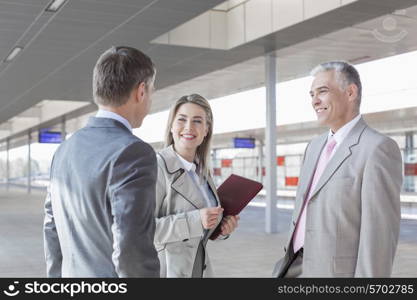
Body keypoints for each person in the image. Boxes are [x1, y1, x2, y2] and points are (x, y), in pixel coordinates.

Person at [273, 61, 403, 277]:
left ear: (350, 92)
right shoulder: (313, 147)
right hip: (292, 268)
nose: (315, 101)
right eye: (311, 94)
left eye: (322, 91)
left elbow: (378, 239)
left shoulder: (377, 149)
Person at [43, 46, 160, 277]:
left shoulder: (64, 150)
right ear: (141, 91)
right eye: (152, 91)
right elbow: (132, 249)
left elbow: (52, 230)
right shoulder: (134, 152)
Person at [154, 94, 239, 277]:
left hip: (198, 268)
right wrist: (195, 220)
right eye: (182, 120)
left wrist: (221, 228)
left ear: (206, 130)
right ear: (171, 126)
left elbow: (203, 225)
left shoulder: (201, 172)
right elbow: (140, 230)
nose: (189, 127)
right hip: (167, 271)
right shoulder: (156, 167)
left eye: (198, 121)